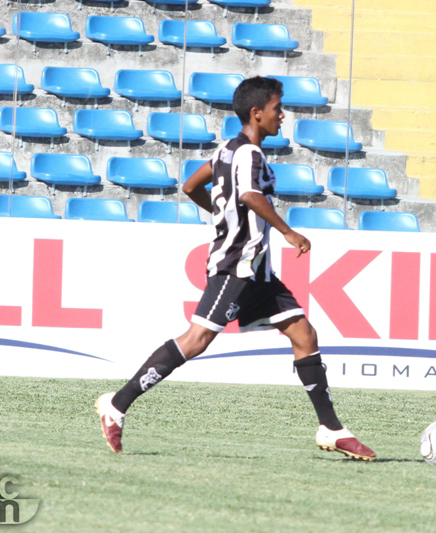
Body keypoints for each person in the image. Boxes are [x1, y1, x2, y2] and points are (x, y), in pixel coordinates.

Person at [95, 76, 376, 461]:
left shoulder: (227, 150)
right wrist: (288, 231)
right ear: (257, 113)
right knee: (196, 340)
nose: (282, 115)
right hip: (236, 267)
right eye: (277, 108)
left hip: (258, 272)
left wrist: (224, 215)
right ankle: (117, 404)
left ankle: (331, 427)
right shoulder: (250, 154)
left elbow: (192, 186)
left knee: (304, 335)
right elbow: (248, 194)